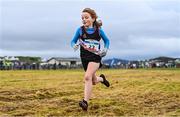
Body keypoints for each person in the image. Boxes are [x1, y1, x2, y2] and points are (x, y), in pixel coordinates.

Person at [71, 8, 110, 111]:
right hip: (84, 58)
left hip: (95, 57)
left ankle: (85, 102)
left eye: (86, 17)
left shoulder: (99, 31)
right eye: (82, 18)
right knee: (93, 81)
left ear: (93, 19)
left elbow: (107, 41)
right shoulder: (80, 30)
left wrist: (105, 49)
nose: (84, 19)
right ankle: (102, 79)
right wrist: (74, 45)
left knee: (87, 77)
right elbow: (73, 41)